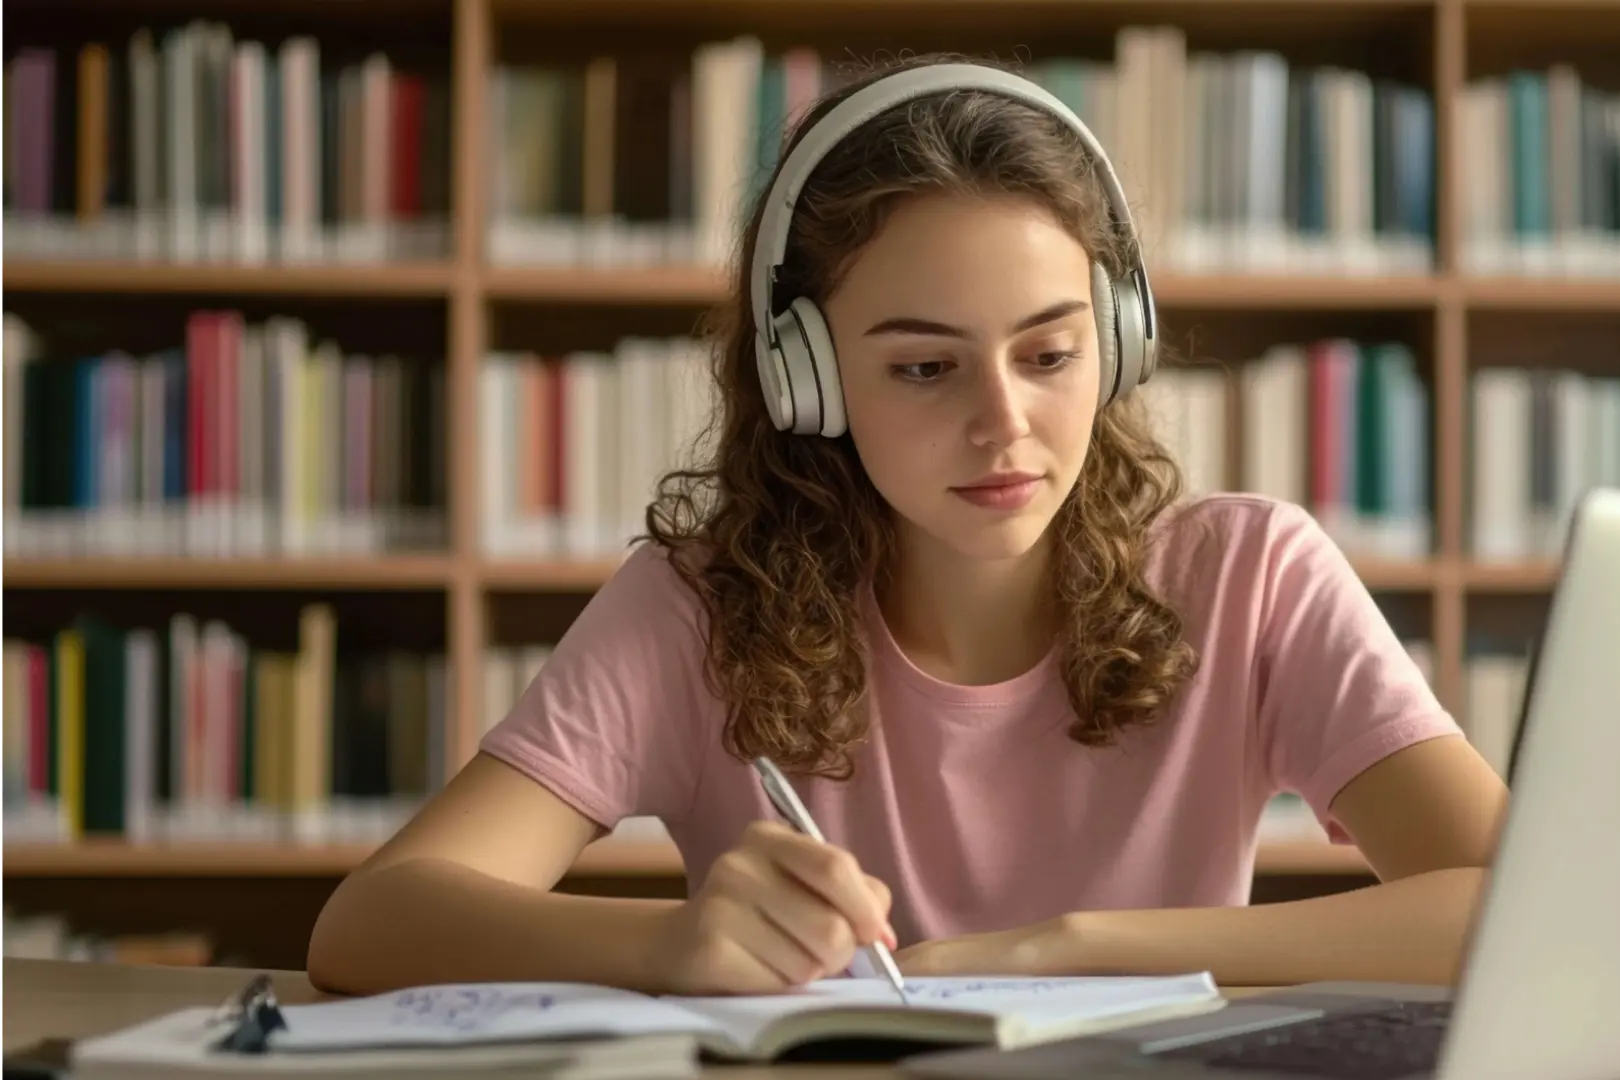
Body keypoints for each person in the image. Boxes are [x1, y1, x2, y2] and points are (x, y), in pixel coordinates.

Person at [306, 53, 1509, 999]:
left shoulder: (1253, 576)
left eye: (1049, 354)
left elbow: (1525, 907)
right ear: (806, 386)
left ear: (1120, 344)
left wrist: (1067, 947)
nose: (1005, 424)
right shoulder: (696, 605)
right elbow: (372, 921)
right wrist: (674, 944)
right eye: (926, 369)